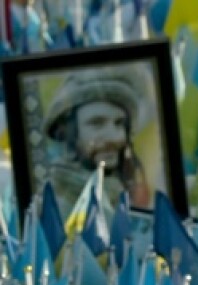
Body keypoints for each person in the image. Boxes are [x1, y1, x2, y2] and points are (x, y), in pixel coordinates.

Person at [42, 66, 153, 216]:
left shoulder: (125, 195)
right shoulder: (53, 206)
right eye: (97, 123)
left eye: (119, 123)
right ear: (68, 133)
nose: (114, 137)